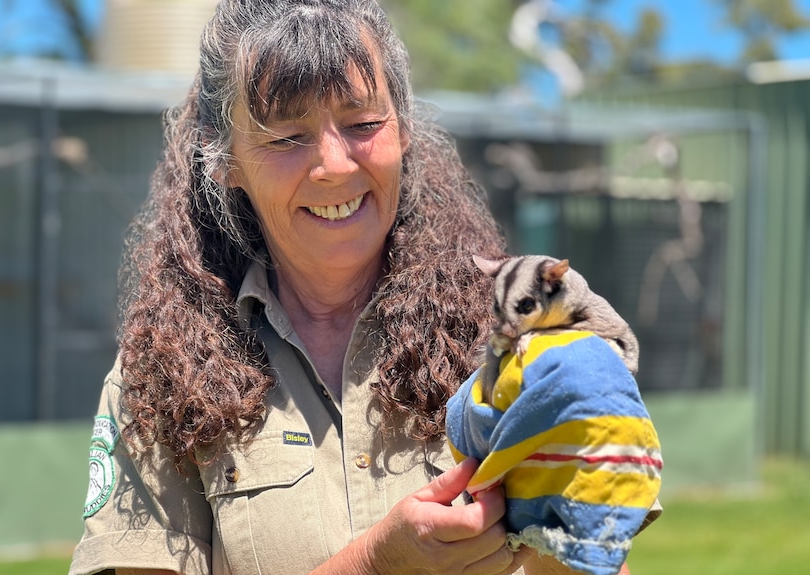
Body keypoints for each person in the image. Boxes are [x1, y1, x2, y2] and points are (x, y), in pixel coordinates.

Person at [69, 1, 637, 574]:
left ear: (405, 127)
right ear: (224, 161)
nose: (334, 166)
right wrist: (376, 564)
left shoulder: (513, 334)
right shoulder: (159, 376)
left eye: (363, 123)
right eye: (287, 135)